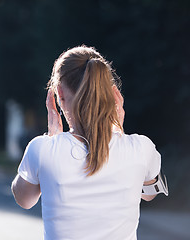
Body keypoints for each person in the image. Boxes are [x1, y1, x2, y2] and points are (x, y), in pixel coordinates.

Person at [11, 45, 167, 240]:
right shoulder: (141, 148)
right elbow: (149, 194)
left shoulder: (41, 149)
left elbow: (24, 199)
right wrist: (119, 133)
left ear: (59, 94)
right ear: (111, 95)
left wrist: (52, 140)